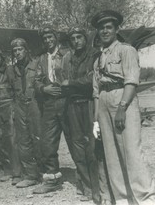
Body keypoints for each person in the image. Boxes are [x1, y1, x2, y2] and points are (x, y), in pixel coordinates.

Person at [92, 10, 155, 204]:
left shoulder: (126, 50)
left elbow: (131, 82)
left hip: (122, 98)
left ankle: (146, 198)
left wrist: (122, 107)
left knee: (131, 151)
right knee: (111, 154)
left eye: (109, 27)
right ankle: (122, 198)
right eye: (101, 28)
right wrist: (96, 120)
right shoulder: (98, 59)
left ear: (116, 29)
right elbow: (96, 90)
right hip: (103, 100)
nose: (105, 31)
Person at [62, 27, 101, 203]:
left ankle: (97, 187)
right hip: (72, 105)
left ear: (85, 39)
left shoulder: (95, 55)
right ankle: (86, 186)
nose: (76, 41)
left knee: (93, 147)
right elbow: (61, 80)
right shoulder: (68, 58)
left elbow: (92, 80)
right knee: (77, 146)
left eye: (79, 37)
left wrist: (71, 83)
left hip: (89, 103)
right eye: (73, 38)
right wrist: (69, 84)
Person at [33, 26, 72, 194]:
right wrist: (43, 89)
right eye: (45, 38)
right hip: (49, 104)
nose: (48, 40)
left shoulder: (67, 53)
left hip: (68, 102)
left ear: (56, 37)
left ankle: (87, 180)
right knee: (47, 142)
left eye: (50, 37)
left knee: (75, 139)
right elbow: (36, 81)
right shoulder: (42, 58)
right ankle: (52, 178)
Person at [0, 48, 21, 185]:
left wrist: (14, 108)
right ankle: (6, 169)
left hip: (9, 106)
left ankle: (17, 172)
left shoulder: (10, 70)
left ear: (2, 58)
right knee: (0, 140)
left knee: (12, 140)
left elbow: (16, 91)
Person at [10, 38, 41, 188]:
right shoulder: (13, 69)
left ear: (26, 50)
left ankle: (45, 172)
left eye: (20, 49)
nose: (17, 53)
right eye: (15, 50)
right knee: (23, 141)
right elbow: (10, 90)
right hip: (19, 105)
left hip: (35, 104)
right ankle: (30, 175)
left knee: (39, 138)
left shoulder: (37, 64)